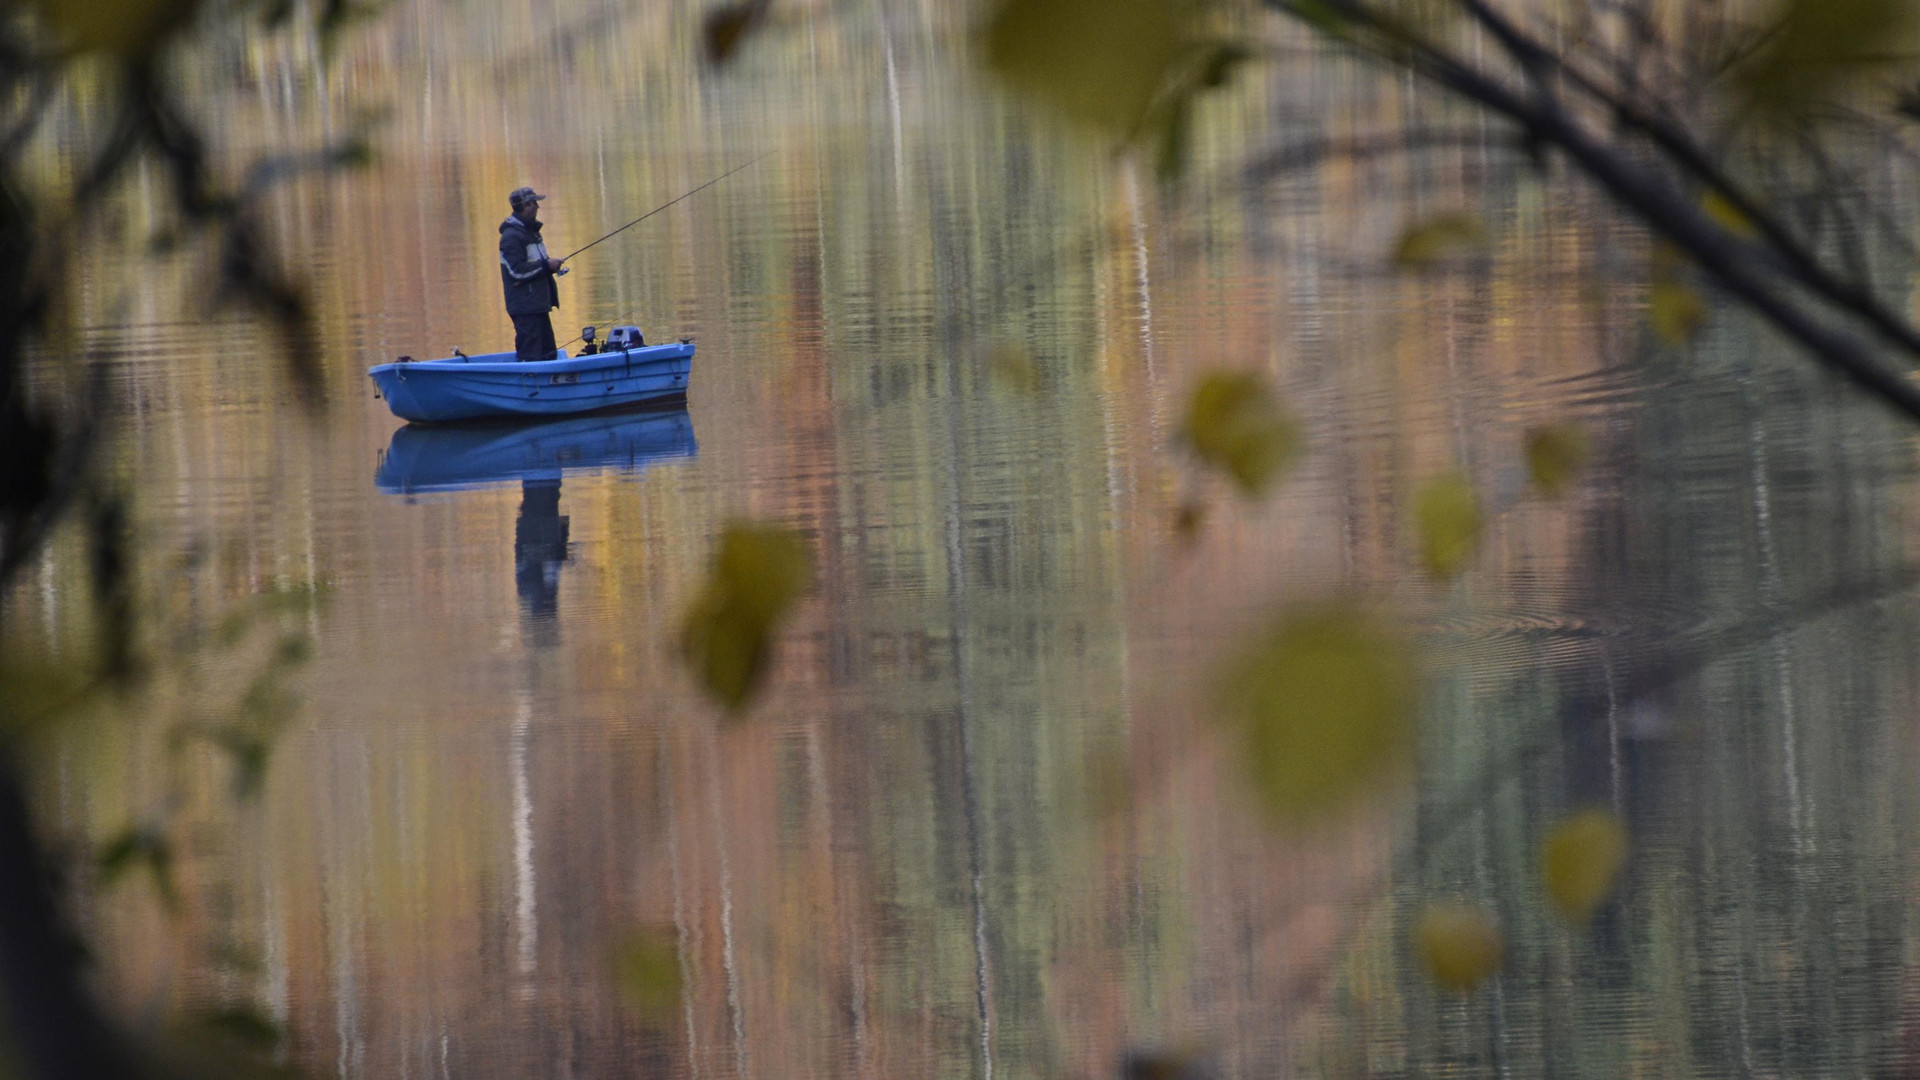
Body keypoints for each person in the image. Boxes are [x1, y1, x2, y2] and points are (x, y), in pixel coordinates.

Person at [499, 186, 568, 362]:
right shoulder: (511, 237)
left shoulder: (532, 233)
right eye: (533, 203)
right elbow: (516, 271)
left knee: (548, 356)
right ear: (523, 206)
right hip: (525, 309)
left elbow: (536, 265)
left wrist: (551, 266)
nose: (537, 207)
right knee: (532, 357)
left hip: (538, 306)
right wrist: (546, 266)